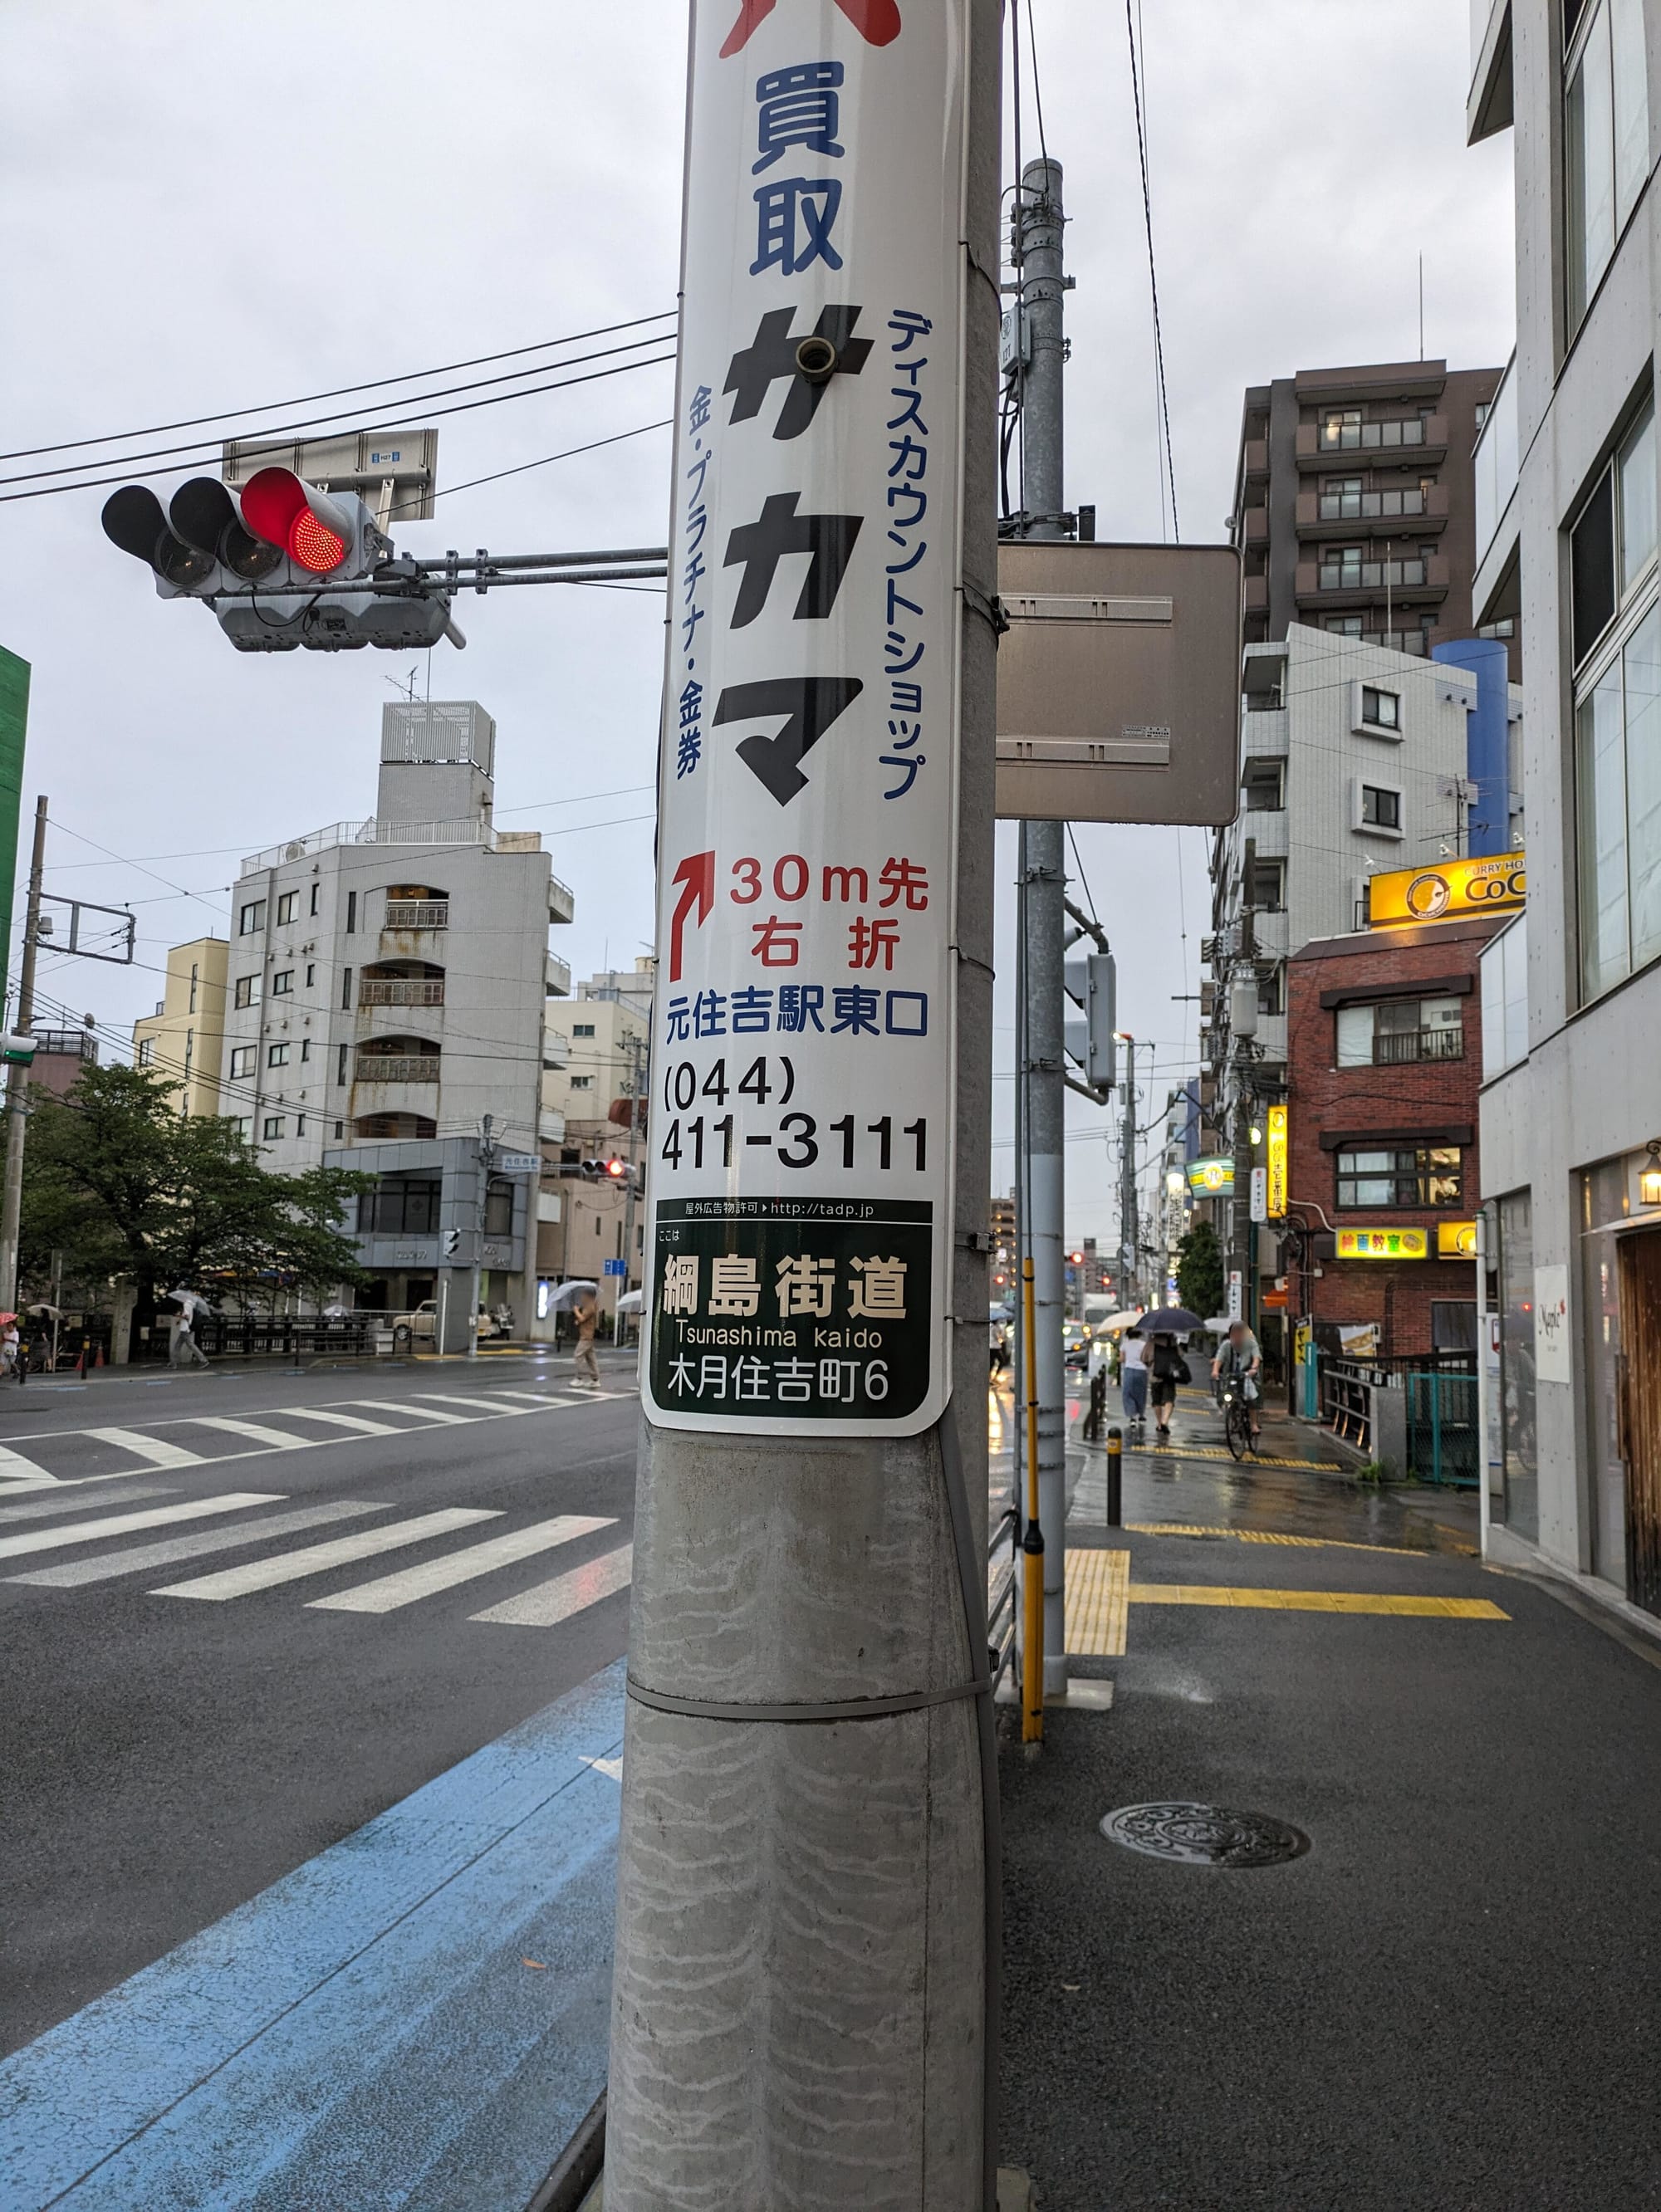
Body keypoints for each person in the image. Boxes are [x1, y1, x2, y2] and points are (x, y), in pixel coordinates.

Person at [1212, 1319, 1263, 1440]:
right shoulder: (1226, 1346)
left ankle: (1253, 1424)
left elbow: (1256, 1357)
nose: (1237, 1337)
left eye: (1240, 1334)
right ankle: (1233, 1417)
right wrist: (1215, 1371)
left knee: (1251, 1397)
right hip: (1231, 1376)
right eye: (1234, 1334)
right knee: (1227, 1395)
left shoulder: (1251, 1343)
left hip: (1247, 1376)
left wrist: (1254, 1368)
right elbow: (1219, 1359)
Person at [1147, 1332, 1190, 1442]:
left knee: (1156, 1401)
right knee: (1169, 1399)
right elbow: (1180, 1355)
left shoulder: (1152, 1342)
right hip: (1169, 1375)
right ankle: (1165, 1421)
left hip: (1155, 1374)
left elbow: (1144, 1358)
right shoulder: (1173, 1342)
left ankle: (1159, 1423)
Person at [1120, 1326, 1150, 1434]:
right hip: (1141, 1371)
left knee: (1128, 1394)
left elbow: (1122, 1359)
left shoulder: (1125, 1345)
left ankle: (1132, 1417)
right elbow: (1147, 1358)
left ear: (1128, 1335)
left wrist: (1119, 1359)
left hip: (1129, 1370)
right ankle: (1141, 1414)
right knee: (1141, 1393)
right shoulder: (1144, 1345)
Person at [572, 1294, 601, 1388]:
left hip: (586, 1337)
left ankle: (579, 1378)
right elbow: (584, 1320)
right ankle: (595, 1379)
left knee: (578, 1355)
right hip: (587, 1336)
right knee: (591, 1358)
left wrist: (576, 1310)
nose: (582, 1297)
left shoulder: (590, 1307)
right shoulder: (589, 1306)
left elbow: (582, 1318)